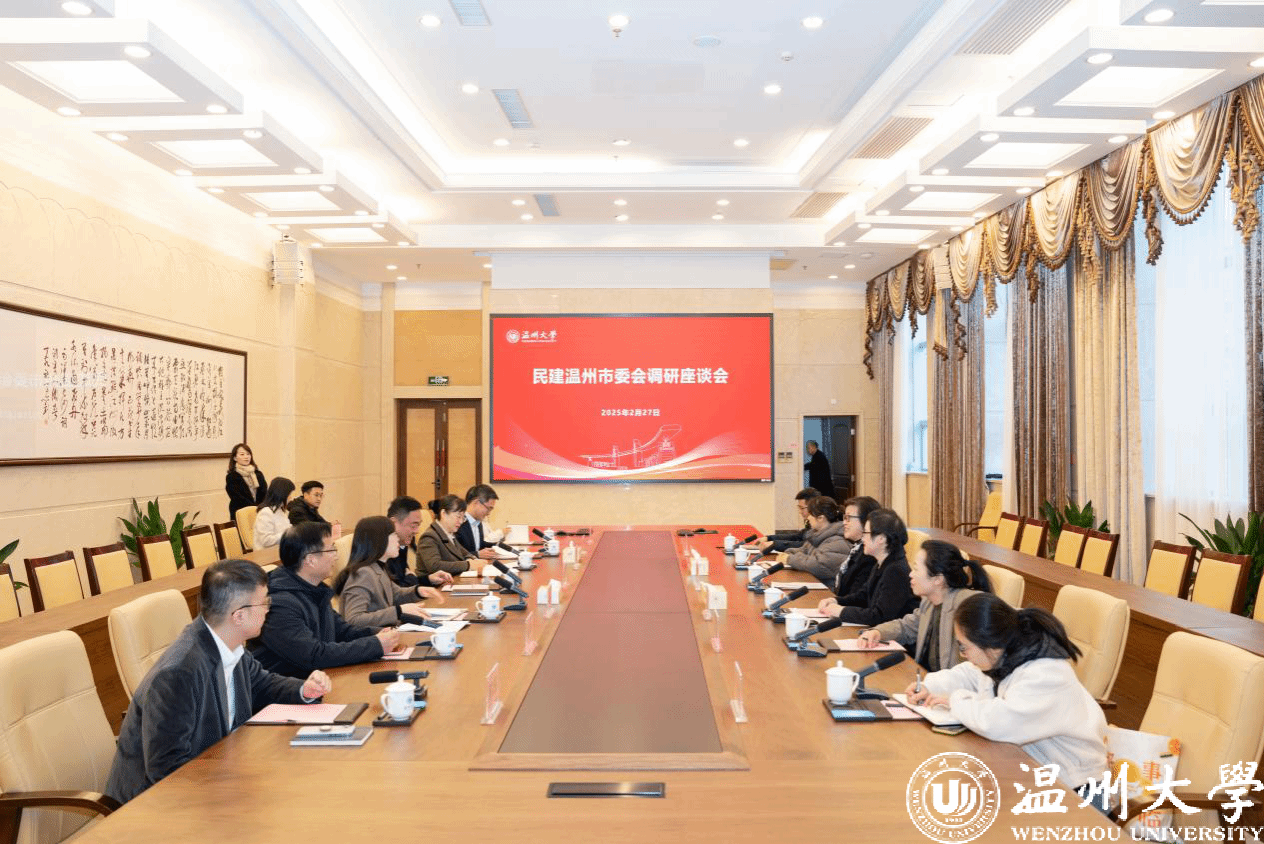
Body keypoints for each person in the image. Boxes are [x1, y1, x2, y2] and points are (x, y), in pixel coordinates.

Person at [105, 559, 332, 804]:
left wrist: (304, 689)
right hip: (152, 806)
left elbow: (262, 684)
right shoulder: (178, 673)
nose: (269, 608)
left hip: (214, 777)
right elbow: (167, 769)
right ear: (239, 616)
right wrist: (236, 783)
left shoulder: (228, 644)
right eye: (265, 602)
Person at [906, 593, 1108, 793]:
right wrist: (930, 686)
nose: (963, 655)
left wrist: (956, 701)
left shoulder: (1045, 672)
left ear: (988, 643)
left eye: (964, 647)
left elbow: (999, 722)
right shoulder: (1003, 653)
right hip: (1033, 770)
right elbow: (968, 673)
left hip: (1077, 787)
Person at [252, 522, 401, 678]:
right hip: (294, 687)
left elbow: (343, 631)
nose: (336, 556)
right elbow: (313, 655)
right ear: (311, 560)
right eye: (331, 550)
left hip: (319, 679)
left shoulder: (314, 590)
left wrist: (377, 633)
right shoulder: (279, 604)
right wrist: (375, 645)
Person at [856, 539, 992, 671]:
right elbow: (906, 627)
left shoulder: (967, 608)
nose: (910, 574)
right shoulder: (929, 602)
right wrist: (878, 632)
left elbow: (973, 668)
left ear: (938, 579)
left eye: (916, 569)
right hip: (926, 679)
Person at [334, 516, 444, 629]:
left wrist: (418, 591)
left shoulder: (377, 567)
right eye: (394, 535)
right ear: (380, 539)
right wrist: (398, 611)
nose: (398, 539)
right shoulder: (363, 573)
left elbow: (396, 595)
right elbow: (354, 619)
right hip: (371, 638)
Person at [818, 507, 917, 626]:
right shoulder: (882, 562)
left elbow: (879, 616)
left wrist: (841, 611)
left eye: (865, 533)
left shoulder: (896, 570)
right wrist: (836, 601)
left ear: (881, 538)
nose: (863, 537)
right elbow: (863, 596)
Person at [819, 496, 881, 603]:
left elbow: (859, 599)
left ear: (866, 521)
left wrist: (836, 603)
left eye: (849, 518)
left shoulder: (869, 555)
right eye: (844, 518)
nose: (844, 523)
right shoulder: (857, 548)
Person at [384, 495, 454, 589]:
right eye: (413, 526)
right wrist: (411, 577)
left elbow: (406, 581)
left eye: (418, 525)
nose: (417, 531)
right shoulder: (382, 550)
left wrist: (429, 579)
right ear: (393, 523)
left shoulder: (402, 544)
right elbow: (398, 589)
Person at [782, 496, 850, 585]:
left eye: (810, 515)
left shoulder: (838, 541)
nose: (808, 518)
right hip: (814, 583)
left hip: (826, 590)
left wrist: (789, 559)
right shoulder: (816, 535)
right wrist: (788, 553)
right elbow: (803, 550)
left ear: (821, 518)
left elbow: (819, 565)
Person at [417, 495, 478, 576]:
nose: (460, 521)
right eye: (458, 517)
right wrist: (468, 565)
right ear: (443, 514)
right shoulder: (429, 536)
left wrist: (471, 559)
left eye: (463, 518)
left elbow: (466, 554)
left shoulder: (449, 534)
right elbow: (434, 566)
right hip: (434, 583)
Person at [751, 488, 820, 553]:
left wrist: (775, 544)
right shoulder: (810, 524)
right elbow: (797, 537)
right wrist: (768, 538)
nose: (800, 512)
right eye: (799, 508)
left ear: (813, 507)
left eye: (802, 508)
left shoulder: (820, 525)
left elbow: (805, 545)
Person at [456, 484, 513, 559]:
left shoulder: (478, 522)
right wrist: (477, 554)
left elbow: (477, 546)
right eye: (488, 508)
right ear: (477, 502)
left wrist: (495, 547)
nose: (489, 513)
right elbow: (454, 554)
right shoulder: (458, 523)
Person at [252, 476, 295, 549]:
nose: (291, 498)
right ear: (282, 494)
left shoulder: (280, 511)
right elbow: (266, 540)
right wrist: (288, 534)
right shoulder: (265, 512)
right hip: (266, 554)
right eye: (289, 494)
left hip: (279, 550)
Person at [224, 443, 265, 519]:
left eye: (248, 454)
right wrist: (253, 508)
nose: (246, 457)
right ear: (235, 458)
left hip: (259, 512)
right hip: (241, 513)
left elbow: (264, 493)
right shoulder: (232, 476)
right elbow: (236, 497)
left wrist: (259, 508)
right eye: (242, 454)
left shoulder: (258, 474)